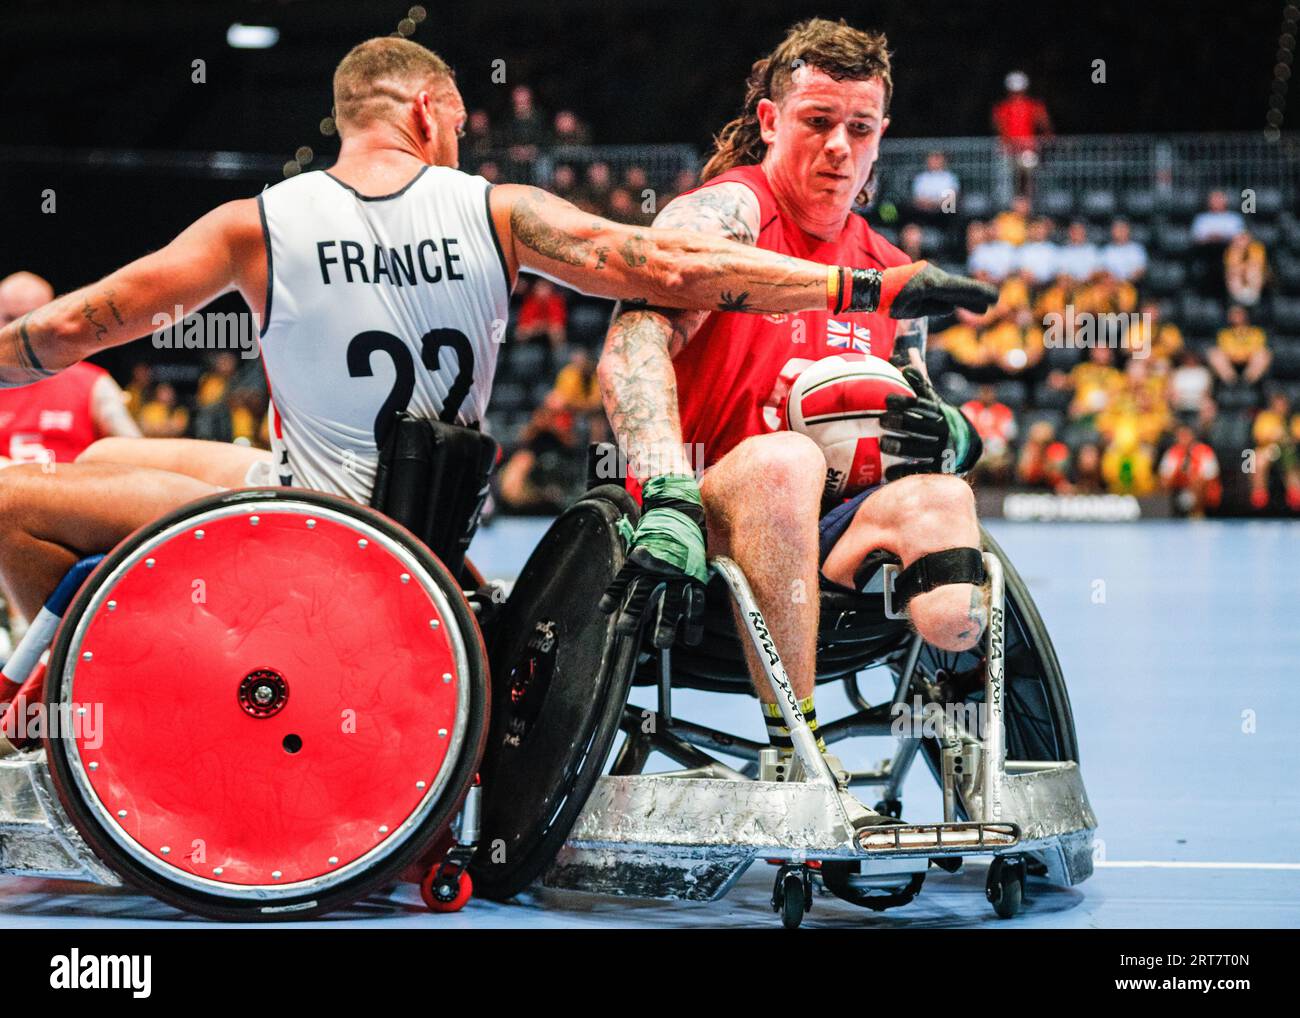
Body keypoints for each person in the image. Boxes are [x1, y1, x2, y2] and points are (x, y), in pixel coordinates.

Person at [0, 35, 986, 623]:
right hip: (426, 515)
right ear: (428, 110)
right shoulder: (497, 211)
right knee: (117, 461)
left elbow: (74, 328)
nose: (460, 139)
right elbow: (675, 267)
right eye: (461, 123)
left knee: (16, 502)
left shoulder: (250, 224)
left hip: (316, 525)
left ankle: (84, 673)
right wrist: (865, 285)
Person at [596, 19, 996, 781]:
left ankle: (963, 719)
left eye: (860, 127)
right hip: (709, 513)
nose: (840, 147)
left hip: (831, 537)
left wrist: (948, 434)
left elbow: (911, 410)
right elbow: (628, 347)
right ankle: (797, 749)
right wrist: (664, 486)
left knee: (942, 497)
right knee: (787, 462)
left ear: (882, 136)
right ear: (771, 121)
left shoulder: (886, 264)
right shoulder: (728, 215)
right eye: (818, 122)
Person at [0, 270, 140, 465]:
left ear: (50, 316)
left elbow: (135, 458)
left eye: (29, 320)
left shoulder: (93, 384)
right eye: (9, 319)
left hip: (81, 491)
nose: (18, 332)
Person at [1209, 304, 1271, 387]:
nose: (1236, 317)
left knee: (1264, 353)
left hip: (1250, 361)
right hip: (1231, 362)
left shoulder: (1256, 332)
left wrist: (1241, 354)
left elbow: (1256, 348)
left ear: (1245, 315)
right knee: (1215, 353)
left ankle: (1247, 381)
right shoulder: (1224, 333)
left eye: (1238, 314)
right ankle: (1231, 381)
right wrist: (1240, 354)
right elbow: (1226, 349)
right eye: (1233, 314)